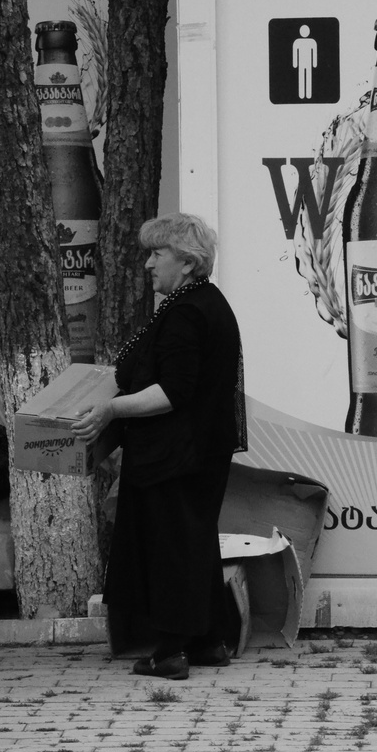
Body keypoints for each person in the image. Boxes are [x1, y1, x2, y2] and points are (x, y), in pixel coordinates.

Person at [72, 214, 246, 680]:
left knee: (171, 548)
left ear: (187, 262)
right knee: (193, 543)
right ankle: (209, 642)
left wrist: (110, 411)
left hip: (176, 454)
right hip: (197, 451)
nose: (148, 264)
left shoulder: (187, 312)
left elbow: (172, 392)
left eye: (157, 254)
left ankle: (169, 651)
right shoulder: (203, 302)